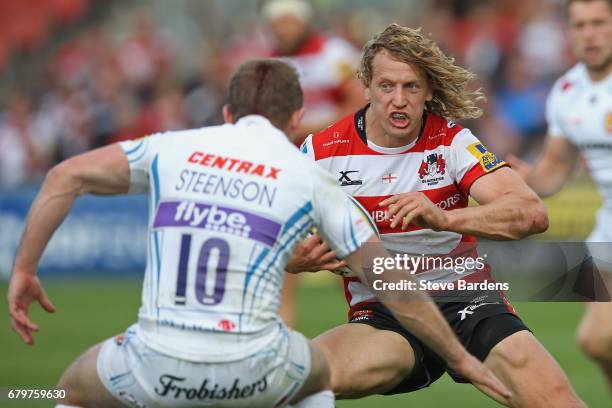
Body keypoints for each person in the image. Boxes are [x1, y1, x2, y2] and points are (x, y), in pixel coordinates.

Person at [7, 59, 509, 408]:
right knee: (316, 380)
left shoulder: (168, 147)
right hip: (255, 370)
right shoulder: (310, 175)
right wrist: (461, 356)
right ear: (296, 120)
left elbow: (61, 177)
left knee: (66, 392)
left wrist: (25, 270)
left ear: (227, 113)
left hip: (150, 363)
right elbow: (390, 281)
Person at [292, 24, 585, 406]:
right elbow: (271, 233)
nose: (398, 100)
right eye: (386, 86)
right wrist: (292, 258)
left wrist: (446, 219)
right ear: (366, 85)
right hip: (384, 310)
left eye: (411, 87)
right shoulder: (320, 152)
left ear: (429, 90)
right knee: (301, 377)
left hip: (465, 300)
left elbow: (531, 213)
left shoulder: (452, 142)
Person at [507, 0, 612, 389]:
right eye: (580, 25)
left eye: (599, 23)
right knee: (596, 340)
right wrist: (523, 179)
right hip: (607, 227)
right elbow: (554, 169)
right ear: (568, 33)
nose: (590, 34)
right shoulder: (567, 90)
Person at [260, 0, 366, 326]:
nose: (284, 29)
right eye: (279, 23)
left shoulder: (334, 53)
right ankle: (278, 344)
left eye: (290, 22)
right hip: (287, 171)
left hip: (330, 169)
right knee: (283, 263)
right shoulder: (269, 62)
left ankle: (374, 328)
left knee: (347, 259)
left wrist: (309, 128)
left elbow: (359, 101)